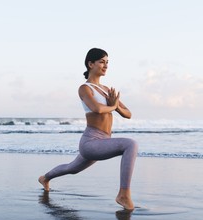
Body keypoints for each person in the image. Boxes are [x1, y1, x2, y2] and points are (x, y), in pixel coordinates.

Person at [38, 48, 138, 211]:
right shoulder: (85, 89)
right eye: (101, 62)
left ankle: (45, 178)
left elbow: (128, 113)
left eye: (107, 62)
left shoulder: (106, 90)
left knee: (72, 168)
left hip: (104, 140)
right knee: (130, 144)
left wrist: (116, 107)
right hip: (91, 141)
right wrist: (113, 106)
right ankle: (123, 194)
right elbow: (97, 108)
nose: (105, 65)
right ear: (90, 64)